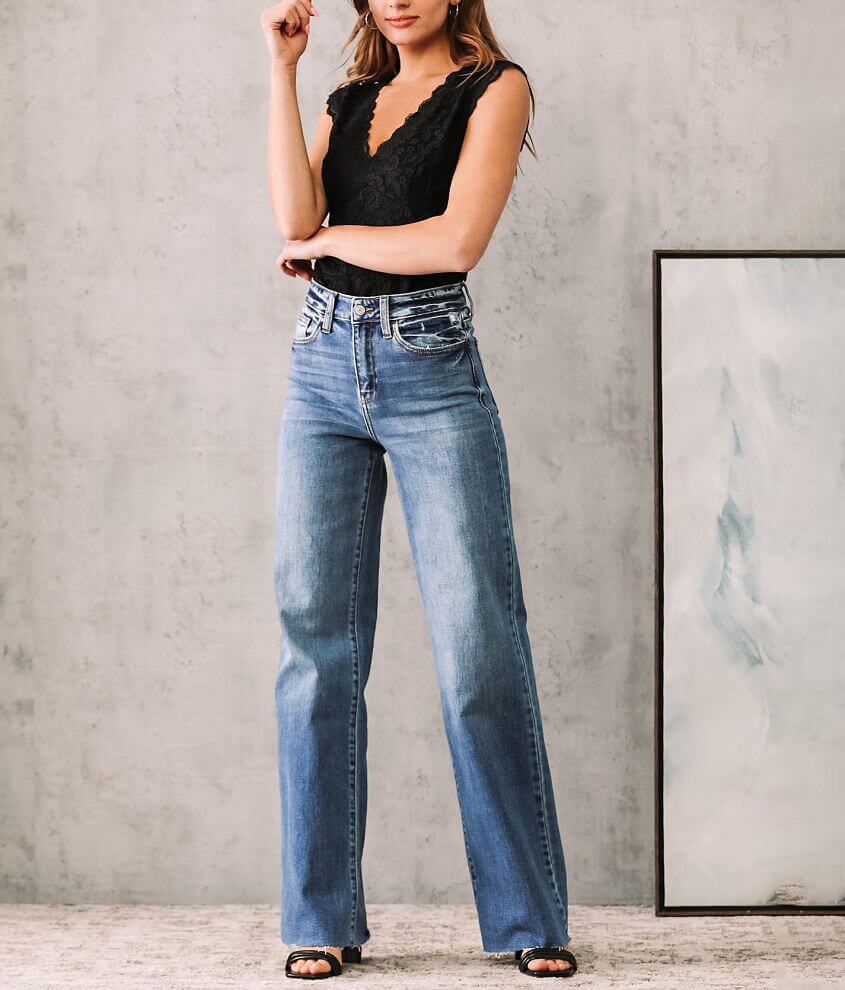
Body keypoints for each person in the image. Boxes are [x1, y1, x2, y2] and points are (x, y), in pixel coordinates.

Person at [261, 0, 578, 980]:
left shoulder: (495, 88)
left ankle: (527, 921)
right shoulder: (348, 97)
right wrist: (281, 70)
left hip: (429, 366)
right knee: (313, 651)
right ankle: (319, 920)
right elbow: (292, 222)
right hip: (321, 366)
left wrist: (332, 242)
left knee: (476, 648)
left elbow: (453, 243)